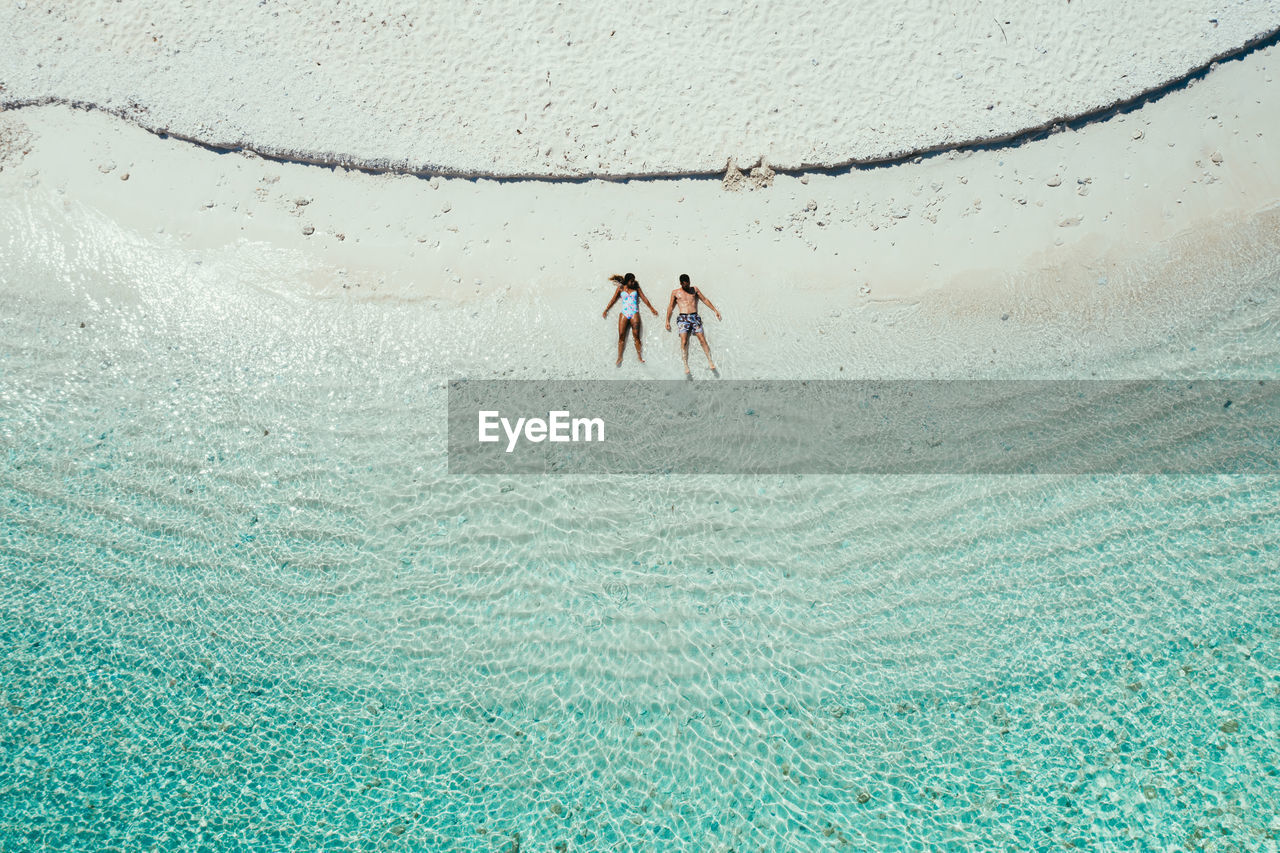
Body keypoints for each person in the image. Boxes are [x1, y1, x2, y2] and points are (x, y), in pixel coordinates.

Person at [665, 273, 722, 378]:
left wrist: (715, 310)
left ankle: (710, 360)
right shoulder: (675, 293)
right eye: (685, 285)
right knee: (684, 341)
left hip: (694, 317)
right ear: (681, 283)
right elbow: (670, 307)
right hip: (683, 318)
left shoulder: (694, 289)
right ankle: (685, 364)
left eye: (688, 284)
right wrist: (667, 321)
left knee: (702, 339)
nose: (687, 286)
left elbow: (704, 299)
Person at [602, 272, 658, 365]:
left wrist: (652, 308)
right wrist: (606, 310)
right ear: (627, 281)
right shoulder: (620, 288)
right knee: (621, 336)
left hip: (634, 313)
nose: (633, 283)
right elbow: (613, 299)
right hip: (624, 313)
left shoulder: (636, 287)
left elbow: (644, 298)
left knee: (636, 336)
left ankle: (639, 356)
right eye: (631, 281)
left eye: (634, 281)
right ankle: (619, 357)